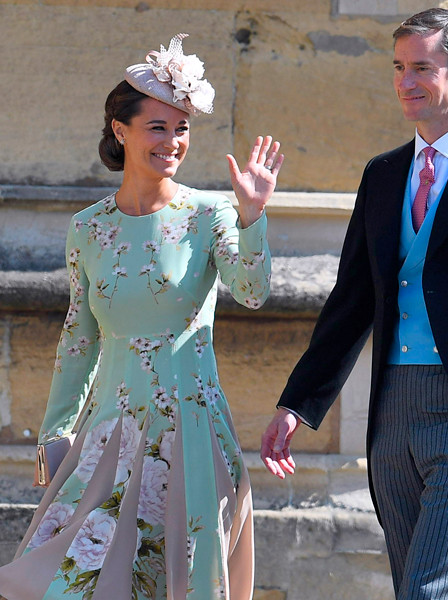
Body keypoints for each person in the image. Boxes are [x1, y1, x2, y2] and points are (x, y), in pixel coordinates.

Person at [260, 8, 448, 600]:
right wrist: (297, 403)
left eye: (421, 68)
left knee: (430, 590)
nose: (405, 82)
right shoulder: (381, 175)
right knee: (415, 587)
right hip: (392, 416)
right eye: (398, 67)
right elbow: (350, 302)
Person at [0, 33, 283, 600]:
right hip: (109, 437)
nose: (173, 142)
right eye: (158, 127)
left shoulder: (211, 213)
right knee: (61, 584)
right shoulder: (88, 227)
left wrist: (252, 217)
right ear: (120, 130)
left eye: (182, 129)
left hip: (192, 438)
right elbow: (78, 336)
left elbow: (252, 292)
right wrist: (56, 432)